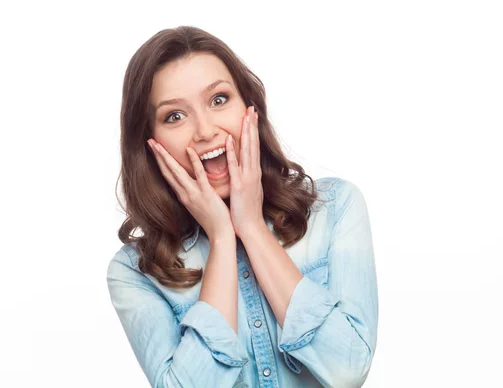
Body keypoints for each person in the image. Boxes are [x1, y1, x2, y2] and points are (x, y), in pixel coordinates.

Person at [106, 25, 378, 388]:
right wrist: (220, 237)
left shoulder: (335, 208)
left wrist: (250, 227)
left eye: (219, 100)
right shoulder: (134, 272)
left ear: (250, 107)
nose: (205, 131)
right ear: (149, 143)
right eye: (175, 116)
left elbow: (346, 371)